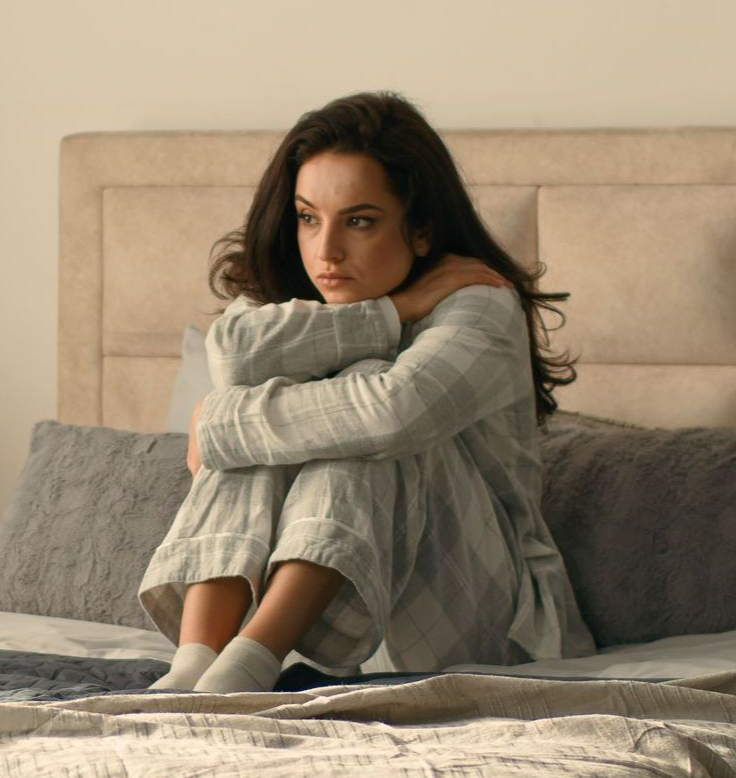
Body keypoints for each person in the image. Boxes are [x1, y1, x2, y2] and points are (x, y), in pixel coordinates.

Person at [138, 91, 596, 693]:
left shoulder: (480, 300)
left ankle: (251, 662)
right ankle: (197, 664)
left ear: (422, 230)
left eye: (359, 221)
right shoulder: (283, 304)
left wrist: (217, 424)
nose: (325, 251)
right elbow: (231, 355)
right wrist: (392, 311)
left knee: (347, 405)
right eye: (308, 218)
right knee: (268, 413)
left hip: (486, 615)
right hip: (329, 624)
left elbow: (390, 413)